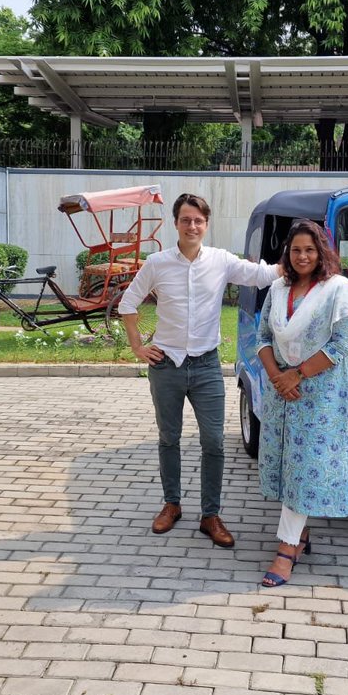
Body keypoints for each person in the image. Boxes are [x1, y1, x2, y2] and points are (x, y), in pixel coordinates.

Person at [119, 193, 282, 547]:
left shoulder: (221, 261)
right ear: (175, 223)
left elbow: (261, 274)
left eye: (198, 221)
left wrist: (303, 262)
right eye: (185, 220)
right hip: (166, 366)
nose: (192, 226)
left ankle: (211, 514)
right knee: (169, 438)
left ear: (206, 225)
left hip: (207, 366)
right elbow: (127, 302)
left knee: (214, 442)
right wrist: (137, 346)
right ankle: (171, 504)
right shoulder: (158, 263)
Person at [255, 218, 348, 587]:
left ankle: (287, 549)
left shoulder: (338, 289)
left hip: (318, 394)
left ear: (321, 252)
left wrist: (298, 374)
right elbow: (262, 337)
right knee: (285, 466)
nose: (302, 256)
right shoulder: (277, 289)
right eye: (295, 250)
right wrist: (278, 376)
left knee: (305, 470)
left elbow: (342, 342)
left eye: (309, 249)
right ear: (287, 254)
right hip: (281, 392)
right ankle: (299, 535)